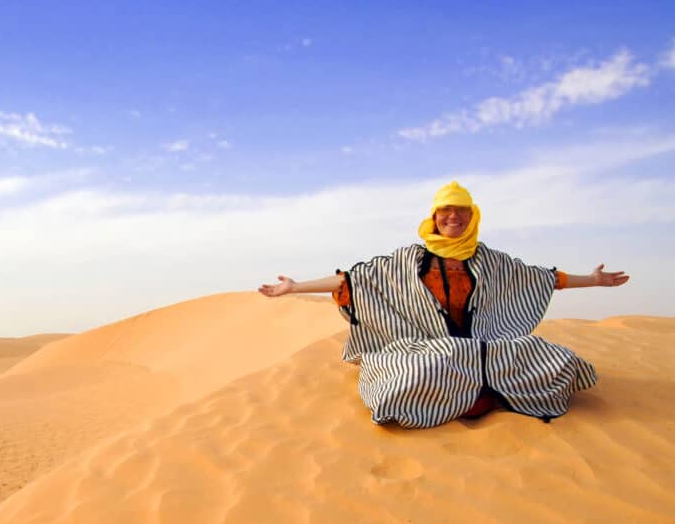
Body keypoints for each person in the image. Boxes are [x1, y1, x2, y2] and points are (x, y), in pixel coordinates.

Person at [258, 181, 629, 428]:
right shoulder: (407, 259)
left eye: (461, 210)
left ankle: (471, 396)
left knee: (552, 359)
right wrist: (294, 287)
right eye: (446, 210)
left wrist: (593, 280)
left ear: (472, 216)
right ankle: (478, 396)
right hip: (428, 348)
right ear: (434, 217)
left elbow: (543, 278)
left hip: (484, 346)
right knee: (418, 371)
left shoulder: (490, 259)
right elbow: (351, 280)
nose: (453, 216)